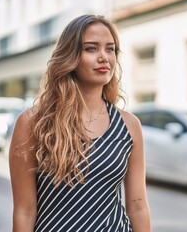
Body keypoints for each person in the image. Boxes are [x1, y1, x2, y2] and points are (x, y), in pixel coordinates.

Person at [9, 14, 151, 232]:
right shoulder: (33, 123)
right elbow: (25, 210)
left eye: (110, 49)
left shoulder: (129, 126)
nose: (104, 57)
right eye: (91, 49)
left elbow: (138, 205)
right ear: (70, 56)